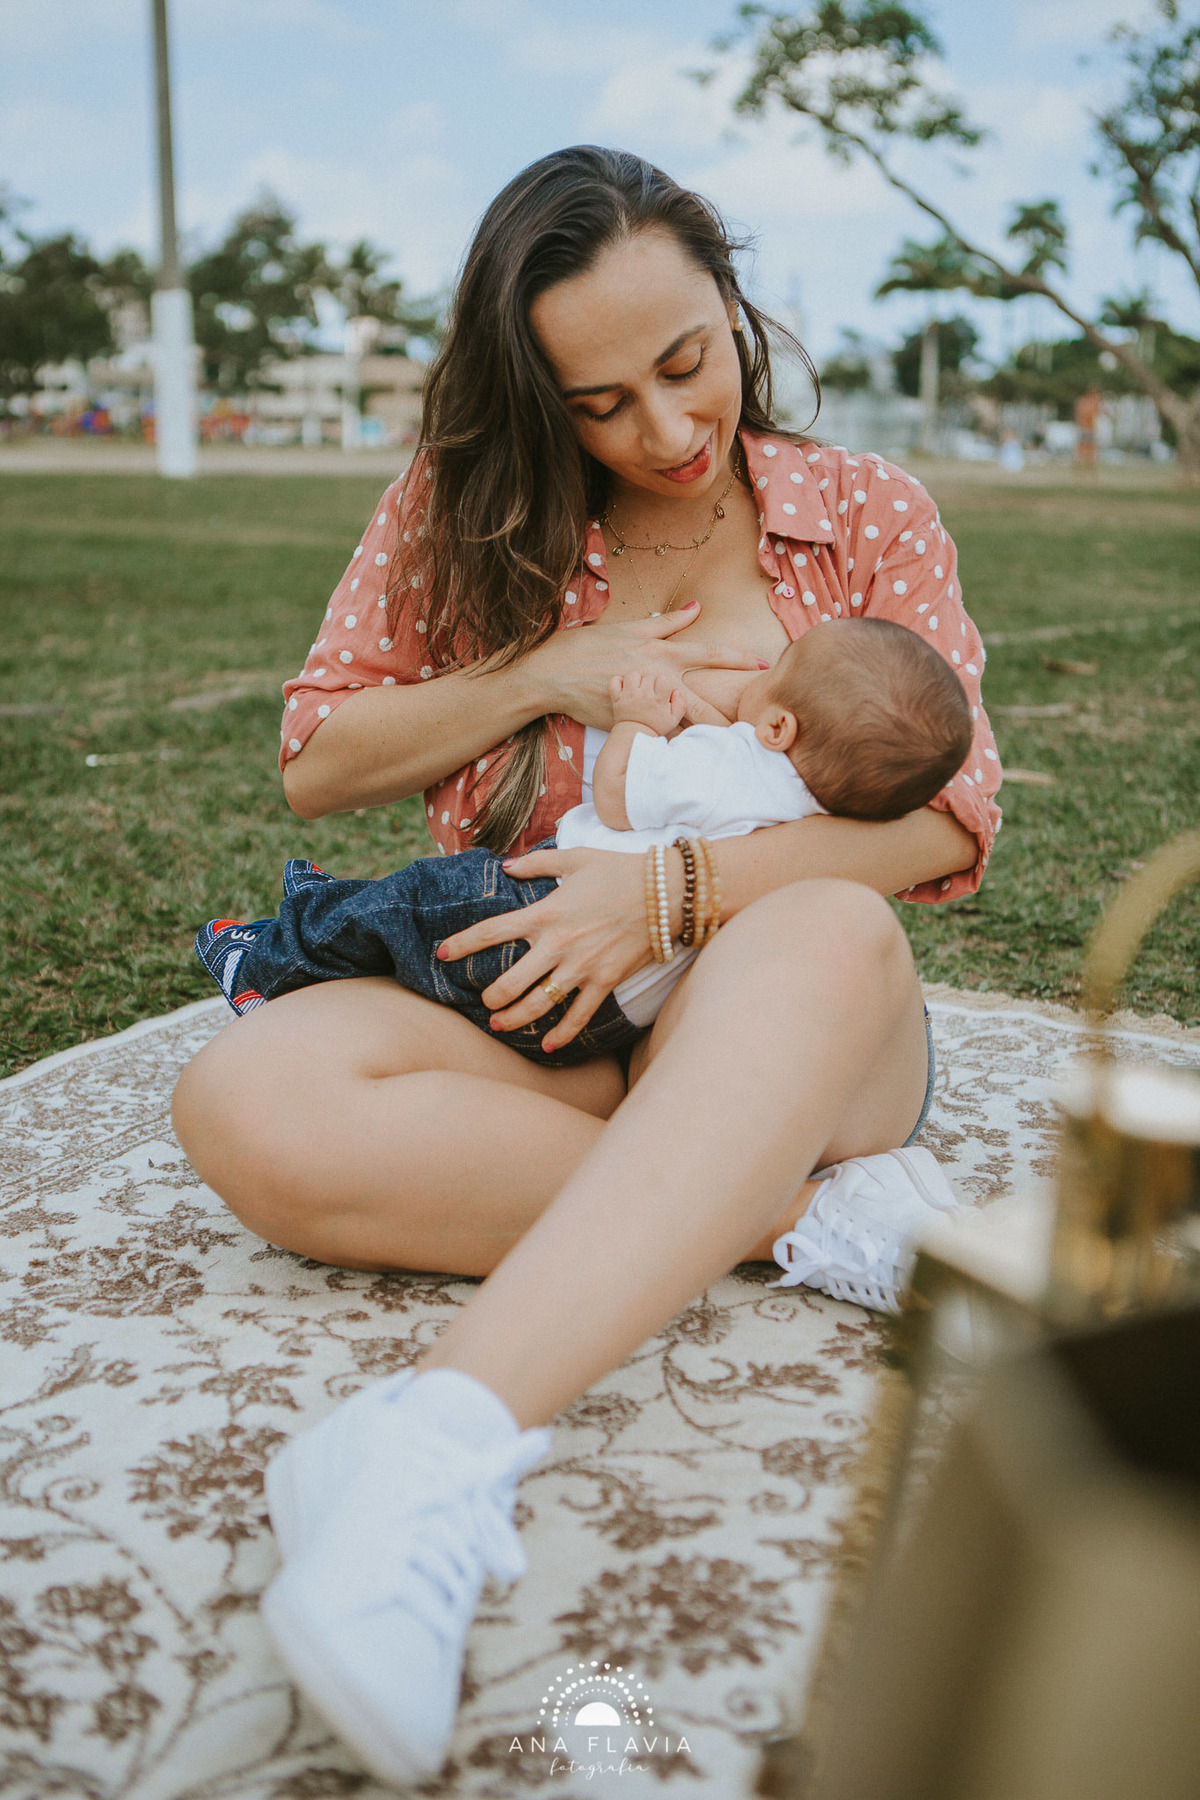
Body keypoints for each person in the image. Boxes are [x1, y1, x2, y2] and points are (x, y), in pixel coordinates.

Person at [170, 146, 1002, 1784]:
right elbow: (319, 759)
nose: (669, 432)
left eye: (690, 364)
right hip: (541, 1021)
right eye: (604, 403)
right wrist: (549, 669)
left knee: (825, 921)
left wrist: (681, 891)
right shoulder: (464, 508)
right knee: (242, 1102)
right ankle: (764, 1208)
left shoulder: (863, 513)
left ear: (734, 302)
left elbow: (945, 822)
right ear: (540, 403)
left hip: (803, 1008)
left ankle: (434, 1444)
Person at [194, 617, 973, 1079]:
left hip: (544, 909)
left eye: (778, 672)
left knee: (404, 907)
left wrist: (635, 720)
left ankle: (266, 955)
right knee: (423, 960)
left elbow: (622, 795)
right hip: (620, 1012)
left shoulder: (734, 761)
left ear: (778, 729)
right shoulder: (814, 813)